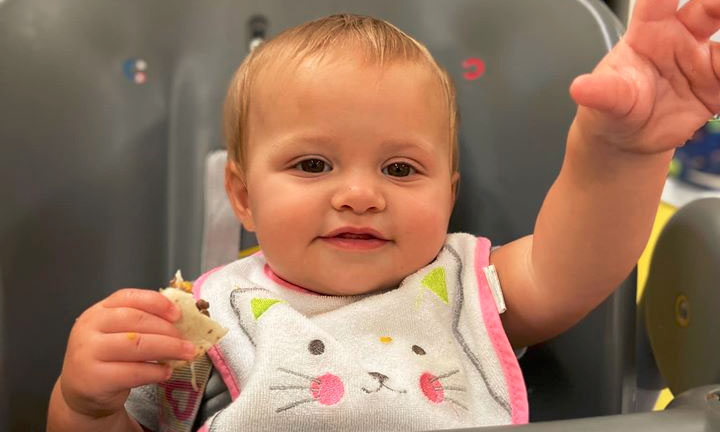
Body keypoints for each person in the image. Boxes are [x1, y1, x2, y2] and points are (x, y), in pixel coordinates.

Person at [47, 0, 720, 430]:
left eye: (400, 170)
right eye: (313, 165)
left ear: (447, 195)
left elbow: (574, 264)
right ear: (243, 195)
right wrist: (86, 406)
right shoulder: (203, 321)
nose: (361, 195)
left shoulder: (456, 282)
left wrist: (623, 150)